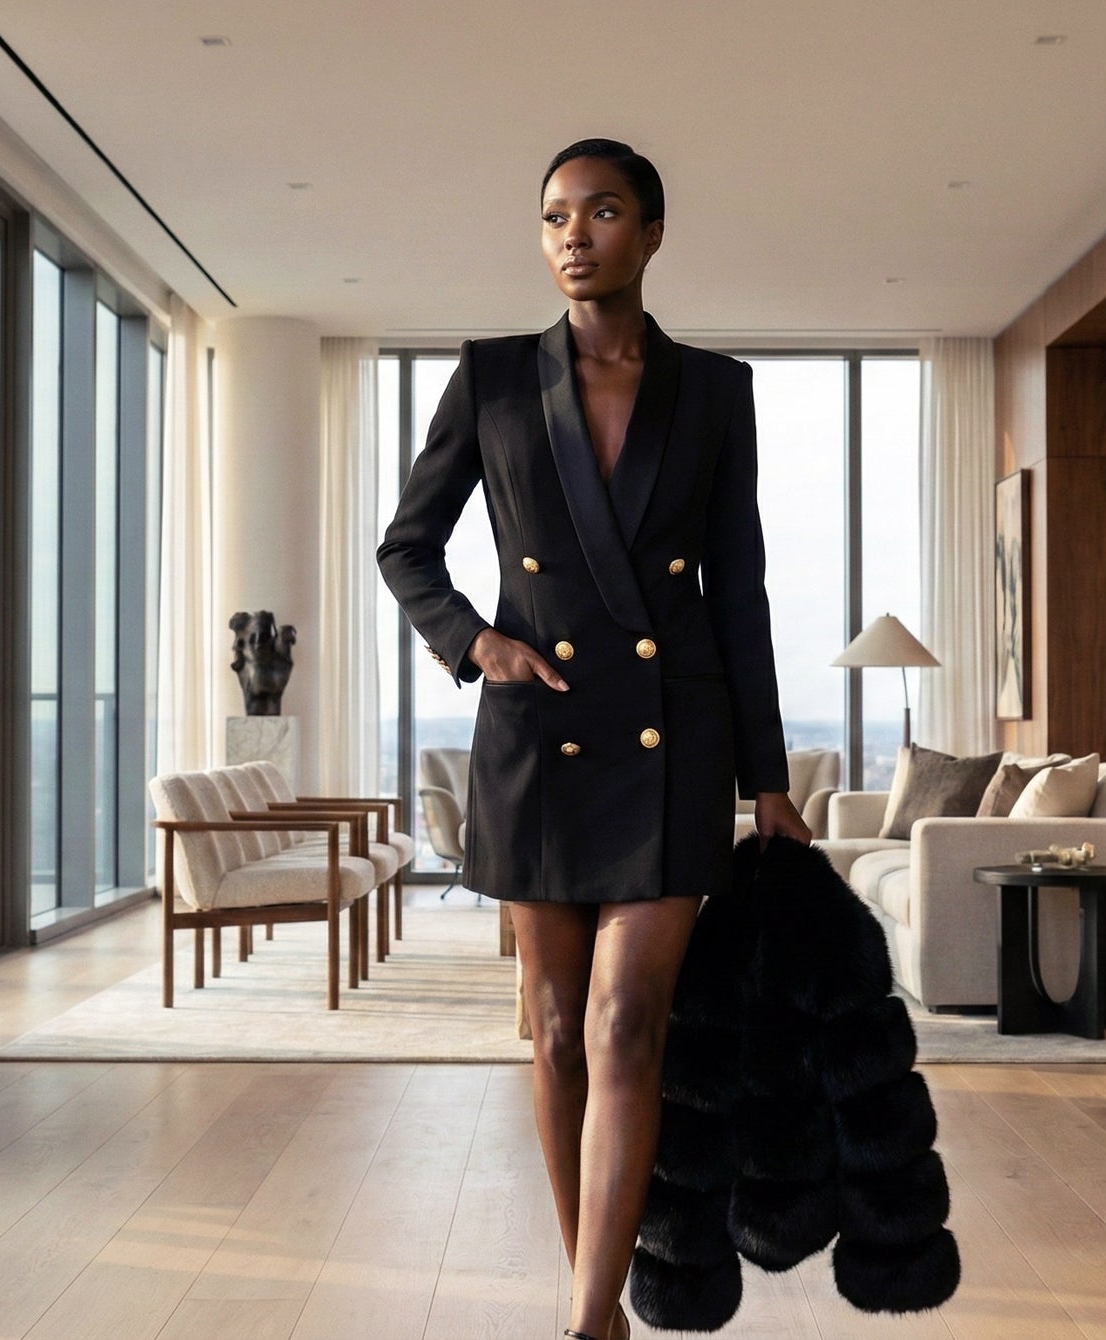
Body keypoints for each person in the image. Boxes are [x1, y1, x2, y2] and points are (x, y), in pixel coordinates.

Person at [376, 137, 811, 1340]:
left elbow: (738, 590)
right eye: (556, 215)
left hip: (675, 740)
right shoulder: (492, 377)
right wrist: (476, 641)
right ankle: (600, 1296)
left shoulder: (715, 390)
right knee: (560, 1030)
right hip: (540, 735)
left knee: (627, 1021)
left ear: (651, 233)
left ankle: (581, 1320)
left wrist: (768, 778)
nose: (576, 233)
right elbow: (407, 545)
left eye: (604, 211)